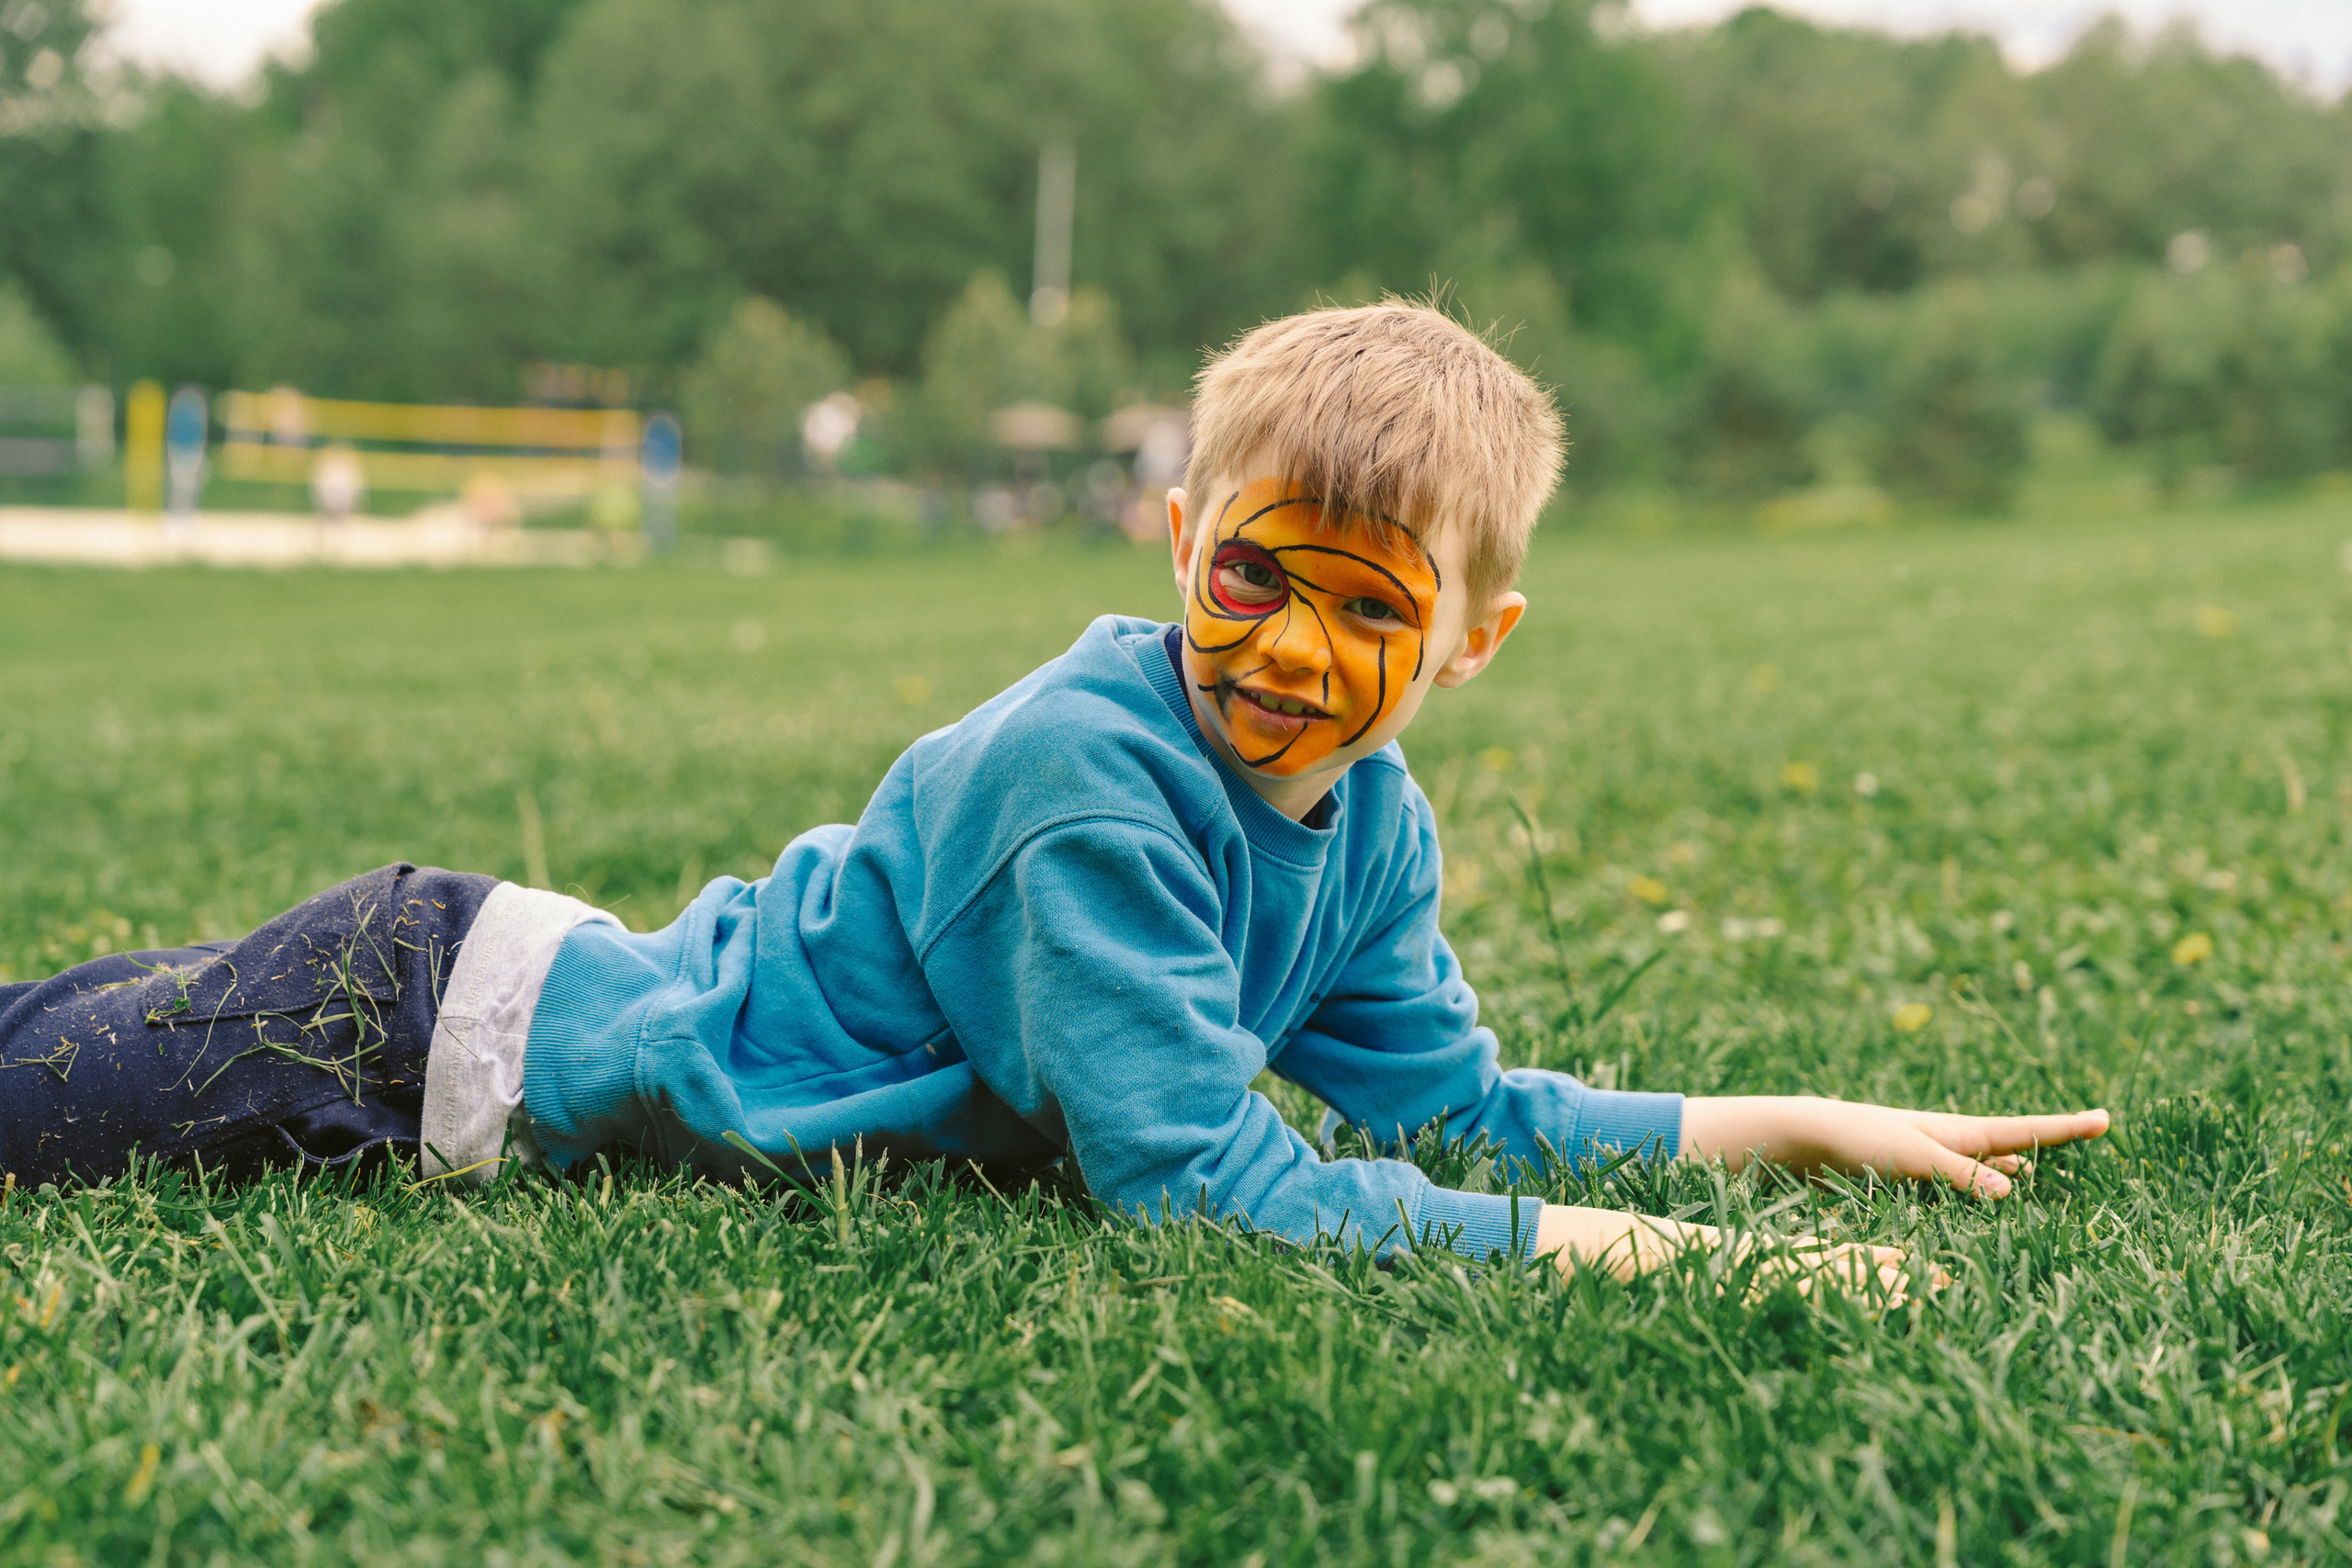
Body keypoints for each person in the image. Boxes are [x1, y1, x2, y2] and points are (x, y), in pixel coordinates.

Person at [0, 303, 2105, 1292]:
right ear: (1176, 528)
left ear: (1471, 641)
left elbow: (1449, 1110)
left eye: (1361, 608)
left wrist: (1797, 1128)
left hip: (441, 994)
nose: (1284, 645)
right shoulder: (1085, 781)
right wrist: (1647, 1254)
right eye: (1247, 570)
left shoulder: (1360, 833)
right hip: (410, 1035)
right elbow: (1202, 1177)